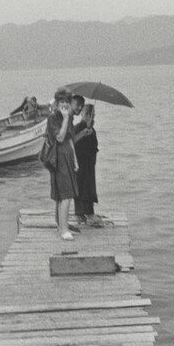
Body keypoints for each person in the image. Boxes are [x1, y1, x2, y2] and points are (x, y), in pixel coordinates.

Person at [46, 87, 79, 240]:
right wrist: (65, 119)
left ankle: (61, 225)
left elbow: (70, 138)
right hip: (58, 158)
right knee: (65, 194)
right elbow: (59, 137)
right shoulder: (53, 118)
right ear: (57, 103)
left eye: (66, 101)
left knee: (65, 194)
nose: (64, 104)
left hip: (68, 156)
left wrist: (75, 160)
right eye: (61, 102)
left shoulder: (69, 118)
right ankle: (64, 229)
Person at [71, 95, 99, 224]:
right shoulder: (78, 128)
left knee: (89, 187)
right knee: (81, 187)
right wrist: (85, 133)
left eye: (93, 116)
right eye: (91, 115)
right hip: (81, 163)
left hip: (89, 163)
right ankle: (80, 213)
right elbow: (73, 143)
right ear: (86, 115)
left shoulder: (91, 129)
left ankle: (88, 212)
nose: (93, 118)